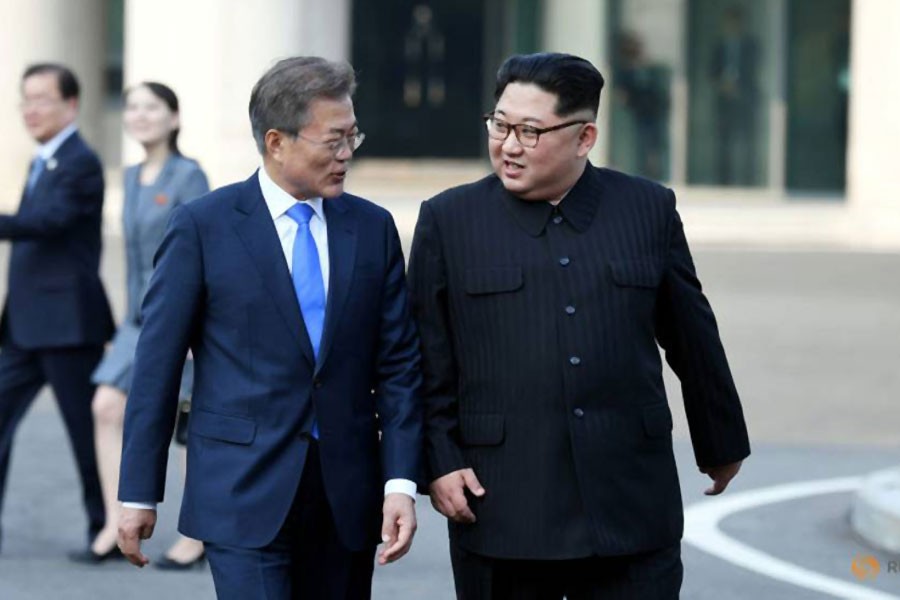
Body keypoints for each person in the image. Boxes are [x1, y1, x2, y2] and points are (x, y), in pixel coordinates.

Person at [408, 52, 750, 599]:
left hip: (630, 504)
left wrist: (721, 442)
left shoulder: (647, 209)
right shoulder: (449, 220)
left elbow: (692, 338)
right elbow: (427, 355)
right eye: (500, 125)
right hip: (500, 505)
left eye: (529, 130)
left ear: (584, 136)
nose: (509, 145)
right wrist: (439, 462)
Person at [117, 56, 423, 599]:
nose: (347, 153)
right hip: (241, 488)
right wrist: (140, 492)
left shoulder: (372, 228)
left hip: (347, 493)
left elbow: (398, 364)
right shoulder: (203, 226)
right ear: (277, 141)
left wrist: (400, 483)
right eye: (333, 140)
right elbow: (157, 367)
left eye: (353, 136)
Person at [71, 82, 209, 567]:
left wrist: (196, 326)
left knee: (190, 424)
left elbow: (201, 253)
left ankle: (197, 535)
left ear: (174, 118)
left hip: (179, 317)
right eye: (132, 107)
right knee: (106, 406)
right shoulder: (129, 176)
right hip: (137, 322)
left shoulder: (189, 176)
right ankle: (114, 519)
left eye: (152, 107)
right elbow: (131, 258)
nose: (140, 115)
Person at [0, 63, 114, 555]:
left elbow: (48, 221)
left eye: (43, 98)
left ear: (71, 105)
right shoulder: (41, 159)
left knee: (86, 437)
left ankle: (107, 530)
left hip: (68, 327)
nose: (31, 109)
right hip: (23, 328)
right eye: (26, 98)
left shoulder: (80, 160)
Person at [710, 5, 760, 186]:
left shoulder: (751, 46)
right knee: (724, 142)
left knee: (747, 142)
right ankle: (724, 180)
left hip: (745, 101)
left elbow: (755, 70)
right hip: (724, 101)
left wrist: (740, 87)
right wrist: (723, 85)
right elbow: (711, 72)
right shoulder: (719, 47)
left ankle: (748, 180)